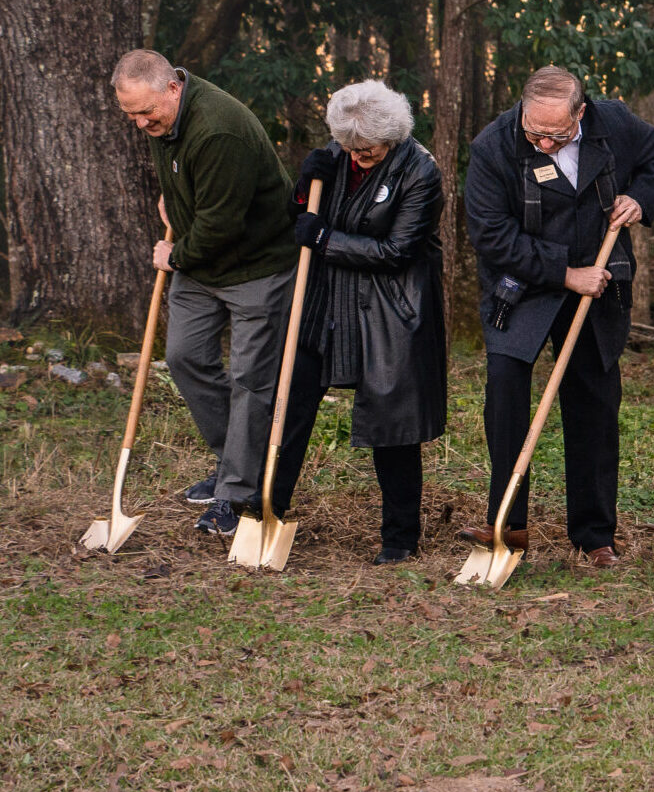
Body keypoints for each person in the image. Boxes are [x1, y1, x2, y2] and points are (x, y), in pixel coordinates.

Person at [462, 65, 654, 568]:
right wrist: (564, 273)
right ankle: (509, 525)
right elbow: (491, 236)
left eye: (556, 134)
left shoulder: (615, 123)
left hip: (598, 283)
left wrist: (639, 199)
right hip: (523, 287)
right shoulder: (493, 146)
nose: (543, 142)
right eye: (534, 132)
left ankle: (594, 534)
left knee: (595, 407)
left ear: (581, 112)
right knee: (506, 395)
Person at [110, 49, 296, 537]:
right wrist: (175, 198)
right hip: (202, 267)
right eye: (130, 114)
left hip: (256, 267)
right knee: (185, 358)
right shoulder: (164, 121)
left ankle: (236, 494)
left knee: (251, 379)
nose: (139, 122)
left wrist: (172, 257)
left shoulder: (218, 129)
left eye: (145, 111)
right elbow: (193, 184)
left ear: (173, 87)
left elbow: (222, 224)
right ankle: (233, 461)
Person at [266, 81, 446, 564]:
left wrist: (324, 238)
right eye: (349, 149)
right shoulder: (339, 150)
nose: (356, 158)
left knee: (392, 423)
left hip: (391, 308)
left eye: (366, 153)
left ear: (393, 139)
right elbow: (303, 214)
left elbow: (397, 251)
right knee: (290, 398)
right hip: (325, 300)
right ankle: (267, 509)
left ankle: (400, 538)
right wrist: (305, 186)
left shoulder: (421, 172)